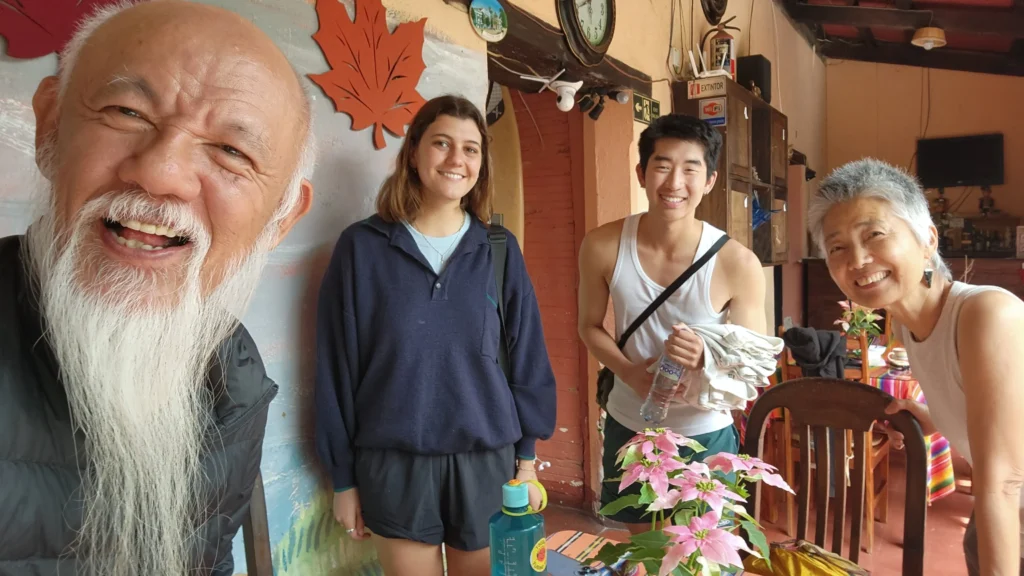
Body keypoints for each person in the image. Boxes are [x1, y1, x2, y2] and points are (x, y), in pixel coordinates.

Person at [0, 2, 316, 575]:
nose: (161, 172)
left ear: (282, 218)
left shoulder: (235, 377)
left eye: (232, 151)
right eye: (127, 112)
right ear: (50, 128)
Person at [314, 95, 556, 576]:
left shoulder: (498, 250)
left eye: (470, 149)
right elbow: (336, 368)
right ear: (413, 152)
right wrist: (344, 480)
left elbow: (528, 358)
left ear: (481, 165)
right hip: (394, 463)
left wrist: (526, 463)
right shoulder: (362, 248)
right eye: (441, 143)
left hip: (487, 461)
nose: (456, 159)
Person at [808, 158, 1024, 576]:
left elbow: (1004, 481)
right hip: (998, 512)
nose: (857, 259)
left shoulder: (986, 313)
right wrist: (934, 416)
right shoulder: (908, 324)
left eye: (874, 235)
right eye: (837, 247)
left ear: (928, 240)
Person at [577, 114, 766, 533]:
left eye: (690, 169)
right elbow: (588, 326)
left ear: (710, 180)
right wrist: (629, 372)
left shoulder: (737, 262)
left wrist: (707, 356)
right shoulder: (602, 245)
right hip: (630, 424)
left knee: (701, 553)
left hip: (704, 431)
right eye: (662, 166)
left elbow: (754, 363)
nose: (674, 182)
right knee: (643, 548)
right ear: (641, 173)